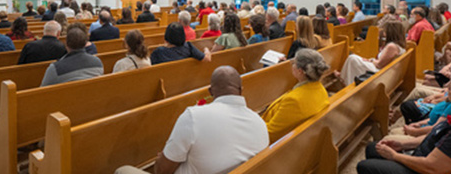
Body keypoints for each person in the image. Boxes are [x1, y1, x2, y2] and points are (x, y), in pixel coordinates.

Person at [115, 66, 269, 174]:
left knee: (123, 170)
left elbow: (162, 170)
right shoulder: (260, 123)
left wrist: (163, 159)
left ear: (210, 91)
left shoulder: (194, 117)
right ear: (241, 91)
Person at [357, 63, 451, 174]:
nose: (447, 86)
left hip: (426, 168)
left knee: (366, 167)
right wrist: (402, 145)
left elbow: (433, 168)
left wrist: (395, 156)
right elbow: (438, 131)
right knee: (373, 149)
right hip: (426, 155)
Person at [262, 49, 330, 143]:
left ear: (300, 71)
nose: (291, 64)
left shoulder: (293, 100)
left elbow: (270, 134)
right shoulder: (321, 89)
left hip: (277, 145)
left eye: (294, 62)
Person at [339, 21, 406, 85]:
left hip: (380, 73)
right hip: (386, 71)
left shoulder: (391, 46)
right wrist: (370, 60)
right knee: (355, 58)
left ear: (391, 32)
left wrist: (371, 60)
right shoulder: (398, 45)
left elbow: (379, 65)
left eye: (385, 31)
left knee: (352, 59)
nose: (384, 33)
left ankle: (343, 79)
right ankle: (345, 78)